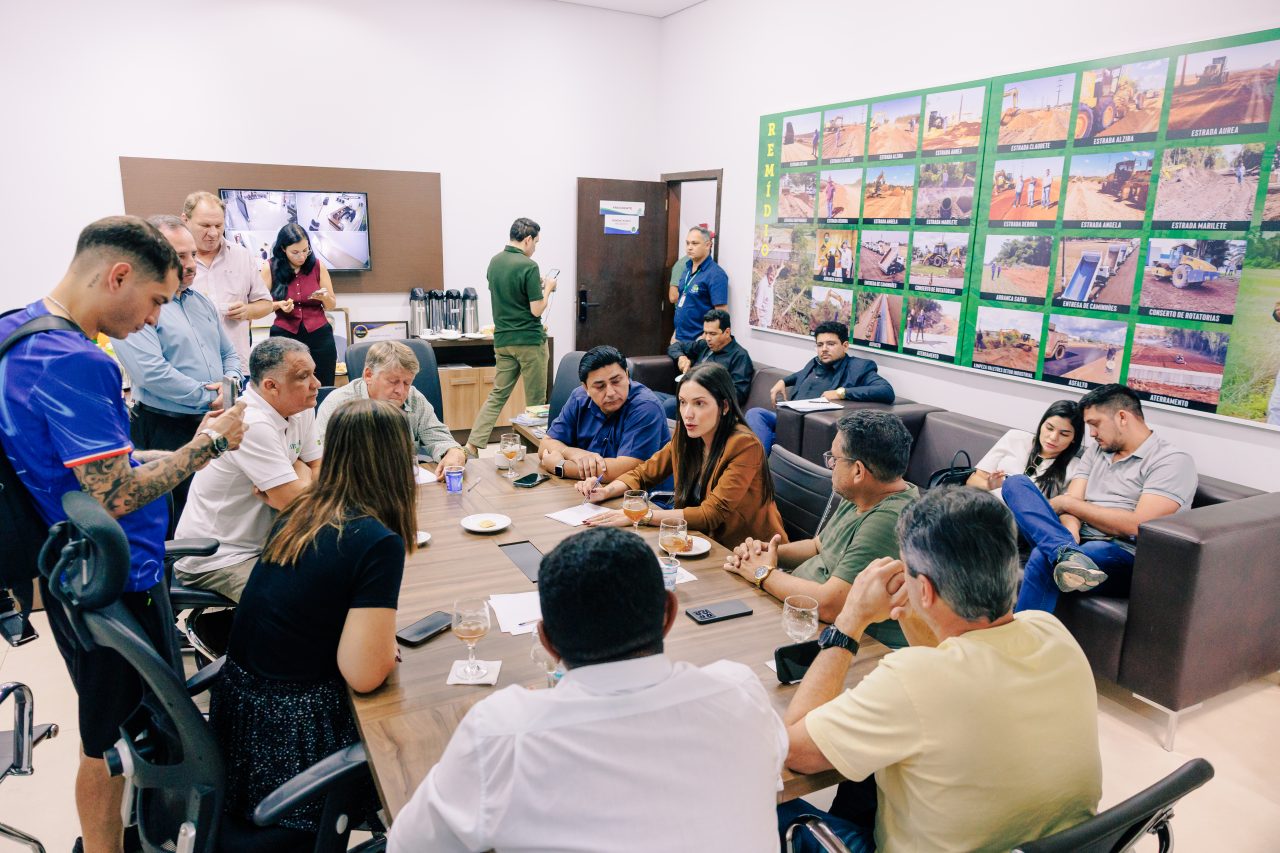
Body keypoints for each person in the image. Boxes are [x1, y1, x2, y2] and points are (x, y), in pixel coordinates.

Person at [0, 215, 248, 853]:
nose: (155, 318)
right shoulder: (76, 361)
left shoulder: (16, 331)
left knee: (112, 734)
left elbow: (80, 466)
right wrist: (208, 446)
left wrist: (153, 456)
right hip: (111, 578)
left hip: (68, 566)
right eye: (156, 299)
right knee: (111, 742)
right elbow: (114, 495)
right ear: (117, 276)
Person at [388, 526, 787, 853]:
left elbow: (408, 846)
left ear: (547, 642)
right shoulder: (740, 693)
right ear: (669, 614)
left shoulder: (501, 734)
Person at [777, 487, 1102, 852]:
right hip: (1058, 844)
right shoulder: (1051, 630)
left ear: (927, 590)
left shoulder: (910, 680)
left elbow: (791, 751)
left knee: (772, 806)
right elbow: (953, 669)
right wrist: (911, 611)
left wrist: (849, 621)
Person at [210, 398, 411, 835]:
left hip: (240, 718)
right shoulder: (375, 541)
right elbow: (364, 676)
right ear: (398, 461)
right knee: (417, 732)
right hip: (294, 734)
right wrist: (382, 646)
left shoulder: (302, 509)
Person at [725, 411, 919, 649]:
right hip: (802, 618)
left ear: (858, 471)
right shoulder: (865, 493)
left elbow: (830, 606)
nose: (830, 465)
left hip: (859, 645)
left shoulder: (889, 520)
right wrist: (765, 553)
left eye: (834, 459)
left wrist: (763, 573)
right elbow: (818, 546)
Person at [1005, 384, 1197, 614]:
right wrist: (1069, 534)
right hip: (1075, 541)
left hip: (1120, 553)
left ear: (1122, 417)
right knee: (1015, 484)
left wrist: (1067, 503)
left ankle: (1022, 637)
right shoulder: (1096, 451)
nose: (1092, 433)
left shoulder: (1171, 461)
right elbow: (1073, 502)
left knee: (1042, 557)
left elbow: (1137, 525)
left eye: (1095, 424)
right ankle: (1064, 552)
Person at [110, 215, 244, 526]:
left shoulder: (202, 303)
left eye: (193, 254)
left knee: (213, 514)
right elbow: (150, 372)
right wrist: (208, 397)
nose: (191, 264)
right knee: (174, 519)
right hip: (164, 427)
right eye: (180, 256)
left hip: (212, 422)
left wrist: (231, 384)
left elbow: (229, 353)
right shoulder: (138, 306)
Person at [174, 338, 322, 602]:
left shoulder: (301, 407)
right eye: (304, 376)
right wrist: (300, 471)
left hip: (271, 542)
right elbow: (296, 504)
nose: (316, 384)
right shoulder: (251, 421)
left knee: (339, 578)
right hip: (220, 557)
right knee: (300, 604)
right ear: (271, 386)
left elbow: (318, 467)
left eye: (314, 372)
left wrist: (299, 472)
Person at [582, 362, 785, 548]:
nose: (687, 414)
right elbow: (644, 473)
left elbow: (711, 514)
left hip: (748, 550)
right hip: (695, 540)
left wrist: (641, 515)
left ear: (724, 406)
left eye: (699, 403)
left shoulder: (744, 445)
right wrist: (605, 491)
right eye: (682, 402)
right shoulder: (687, 434)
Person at [465, 217, 556, 455]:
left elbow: (509, 294)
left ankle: (472, 445)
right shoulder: (529, 265)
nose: (535, 248)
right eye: (536, 242)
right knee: (536, 402)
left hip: (503, 341)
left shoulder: (495, 262)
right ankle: (536, 453)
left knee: (497, 395)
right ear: (528, 239)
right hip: (529, 342)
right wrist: (548, 288)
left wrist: (536, 285)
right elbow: (536, 309)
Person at [745, 321, 893, 457]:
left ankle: (756, 464)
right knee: (755, 414)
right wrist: (783, 381)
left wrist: (841, 393)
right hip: (788, 419)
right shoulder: (816, 363)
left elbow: (886, 390)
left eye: (830, 344)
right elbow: (801, 375)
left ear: (845, 346)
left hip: (809, 428)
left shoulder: (858, 368)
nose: (824, 349)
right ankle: (758, 459)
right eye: (820, 345)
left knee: (752, 436)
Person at [316, 340, 465, 469]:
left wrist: (454, 452)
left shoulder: (413, 398)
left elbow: (439, 437)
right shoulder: (338, 404)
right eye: (393, 381)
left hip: (404, 483)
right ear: (368, 375)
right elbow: (324, 461)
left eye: (407, 383)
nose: (400, 391)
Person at [537, 345, 669, 484]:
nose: (611, 392)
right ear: (586, 387)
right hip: (591, 489)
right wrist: (572, 452)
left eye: (616, 381)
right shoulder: (579, 398)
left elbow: (627, 470)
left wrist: (561, 466)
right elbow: (545, 445)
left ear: (627, 375)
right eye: (600, 386)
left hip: (640, 494)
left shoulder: (645, 407)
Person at [182, 190, 275, 368]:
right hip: (192, 366)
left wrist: (247, 310)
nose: (213, 233)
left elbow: (266, 304)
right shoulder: (172, 261)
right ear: (185, 220)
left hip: (237, 364)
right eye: (205, 225)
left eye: (219, 225)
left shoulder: (241, 255)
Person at [263, 223, 339, 385]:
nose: (302, 257)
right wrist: (278, 305)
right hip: (284, 336)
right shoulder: (269, 267)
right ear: (283, 249)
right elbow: (259, 305)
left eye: (305, 250)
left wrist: (324, 297)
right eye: (295, 252)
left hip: (320, 336)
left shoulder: (318, 266)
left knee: (323, 385)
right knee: (285, 385)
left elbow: (331, 305)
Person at [967, 399, 1083, 498]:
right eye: (1049, 428)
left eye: (1064, 434)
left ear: (1074, 438)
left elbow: (1063, 509)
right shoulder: (1015, 438)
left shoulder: (1075, 468)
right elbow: (972, 481)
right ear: (1041, 424)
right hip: (985, 507)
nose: (1053, 437)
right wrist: (989, 486)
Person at [660, 308, 754, 418]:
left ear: (727, 332)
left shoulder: (739, 356)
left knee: (669, 405)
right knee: (651, 397)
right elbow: (675, 346)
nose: (708, 338)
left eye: (713, 334)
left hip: (707, 406)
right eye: (705, 333)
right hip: (686, 396)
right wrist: (681, 358)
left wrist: (705, 390)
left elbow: (738, 394)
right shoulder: (705, 346)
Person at [670, 225, 729, 348]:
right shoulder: (686, 269)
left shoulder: (716, 274)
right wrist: (676, 333)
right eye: (687, 243)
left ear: (708, 245)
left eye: (694, 243)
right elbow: (682, 302)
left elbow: (721, 314)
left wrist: (703, 339)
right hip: (679, 339)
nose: (689, 247)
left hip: (698, 342)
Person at [753, 264, 782, 328]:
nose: (772, 278)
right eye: (771, 275)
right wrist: (758, 321)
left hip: (766, 321)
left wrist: (781, 267)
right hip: (761, 322)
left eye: (774, 276)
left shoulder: (770, 282)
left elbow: (775, 276)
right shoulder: (762, 285)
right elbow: (757, 305)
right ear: (767, 273)